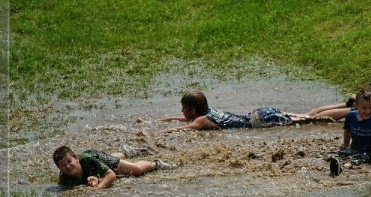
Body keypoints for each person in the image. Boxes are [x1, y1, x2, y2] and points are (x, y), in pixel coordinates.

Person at [137, 90, 354, 135]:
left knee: (314, 120)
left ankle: (352, 110)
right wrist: (153, 121)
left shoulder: (201, 121)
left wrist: (154, 134)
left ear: (192, 110)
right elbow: (177, 120)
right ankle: (347, 105)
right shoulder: (207, 113)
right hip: (259, 114)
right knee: (308, 114)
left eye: (183, 108)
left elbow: (181, 128)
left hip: (260, 122)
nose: (181, 111)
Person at [52, 143, 171, 189]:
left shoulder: (87, 159)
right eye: (62, 165)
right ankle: (125, 151)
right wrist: (94, 180)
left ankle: (155, 163)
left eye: (69, 161)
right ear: (59, 169)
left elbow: (111, 175)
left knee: (136, 170)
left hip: (97, 157)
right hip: (93, 168)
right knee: (114, 159)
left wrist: (98, 188)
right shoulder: (64, 178)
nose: (67, 167)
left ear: (76, 158)